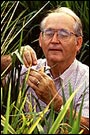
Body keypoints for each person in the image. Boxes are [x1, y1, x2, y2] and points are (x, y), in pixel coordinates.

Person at [1, 7, 89, 134]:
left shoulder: (86, 79)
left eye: (63, 35)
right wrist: (12, 59)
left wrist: (56, 103)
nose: (54, 40)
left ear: (78, 43)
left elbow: (87, 127)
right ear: (40, 40)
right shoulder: (27, 69)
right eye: (48, 33)